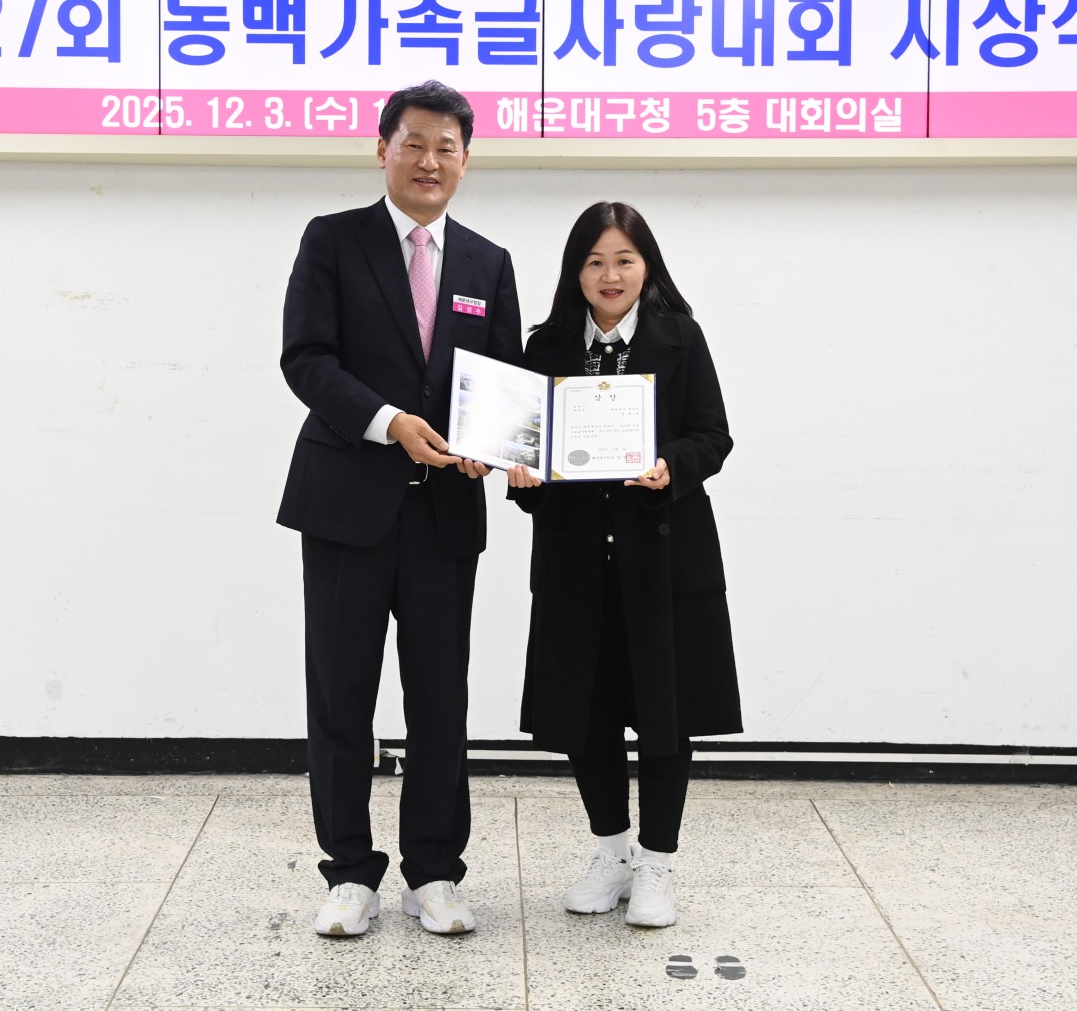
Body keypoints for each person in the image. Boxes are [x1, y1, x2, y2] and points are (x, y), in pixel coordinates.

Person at [279, 81, 523, 938]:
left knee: (440, 701)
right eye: (413, 143)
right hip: (347, 505)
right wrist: (389, 423)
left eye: (445, 147)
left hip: (444, 515)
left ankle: (435, 871)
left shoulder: (488, 263)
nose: (429, 161)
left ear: (466, 159)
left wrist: (500, 446)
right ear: (381, 148)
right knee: (341, 697)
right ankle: (349, 872)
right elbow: (306, 359)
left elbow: (505, 382)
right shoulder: (333, 240)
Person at [506, 201, 741, 928]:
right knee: (587, 712)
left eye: (624, 260)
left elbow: (713, 436)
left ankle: (657, 863)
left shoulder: (680, 337)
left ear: (647, 266)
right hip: (576, 560)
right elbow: (525, 453)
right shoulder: (546, 346)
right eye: (595, 261)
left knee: (666, 713)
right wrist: (523, 476)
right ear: (575, 271)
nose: (610, 275)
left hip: (664, 558)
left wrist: (671, 466)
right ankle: (610, 852)